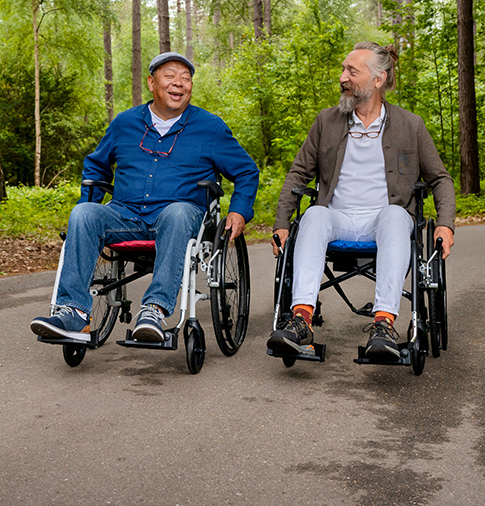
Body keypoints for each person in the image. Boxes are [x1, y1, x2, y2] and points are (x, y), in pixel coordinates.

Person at [31, 52, 259, 344]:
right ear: (152, 83)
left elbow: (246, 171)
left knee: (176, 214)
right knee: (84, 214)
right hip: (125, 215)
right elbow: (96, 165)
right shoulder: (125, 123)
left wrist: (239, 211)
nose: (179, 84)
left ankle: (153, 310)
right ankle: (72, 312)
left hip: (180, 216)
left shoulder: (210, 128)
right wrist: (89, 206)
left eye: (186, 78)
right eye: (170, 76)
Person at [266, 41, 455, 361]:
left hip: (385, 219)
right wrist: (282, 224)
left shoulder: (411, 125)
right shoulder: (327, 122)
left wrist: (446, 225)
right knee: (313, 216)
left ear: (378, 79)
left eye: (352, 71)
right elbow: (298, 176)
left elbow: (440, 179)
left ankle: (384, 325)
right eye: (343, 69)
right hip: (336, 217)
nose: (342, 77)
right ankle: (300, 321)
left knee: (397, 216)